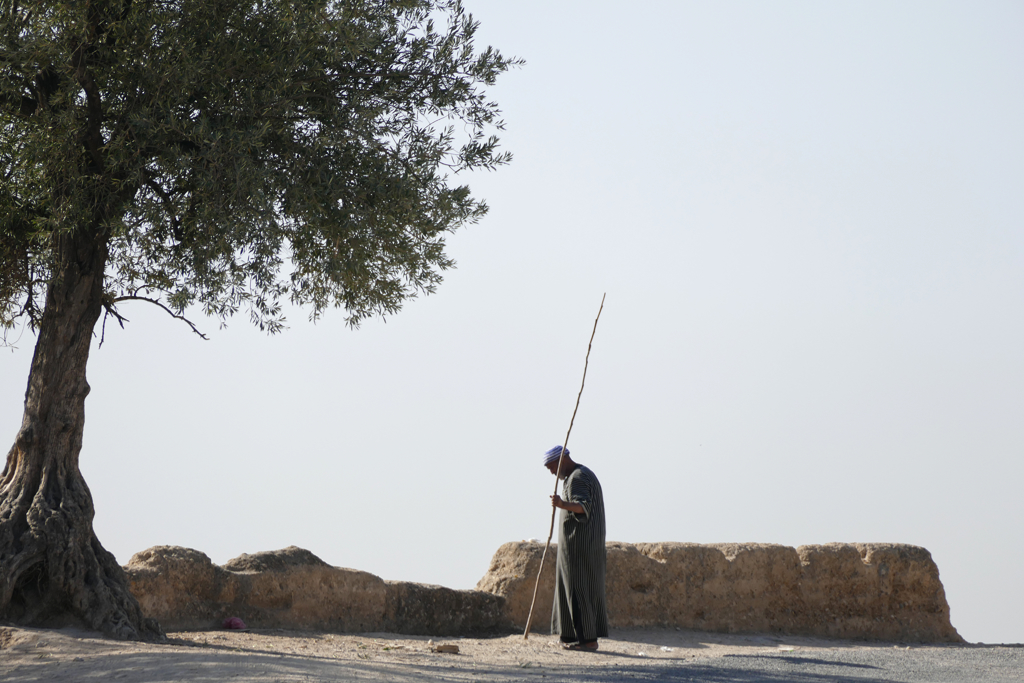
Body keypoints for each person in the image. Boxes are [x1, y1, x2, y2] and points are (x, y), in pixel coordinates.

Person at [544, 445, 608, 651]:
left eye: (551, 467)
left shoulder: (578, 477)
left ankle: (588, 640)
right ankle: (570, 636)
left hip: (580, 548)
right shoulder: (576, 476)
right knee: (570, 590)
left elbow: (582, 506)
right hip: (577, 548)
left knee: (578, 591)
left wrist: (562, 505)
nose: (552, 472)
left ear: (561, 460)